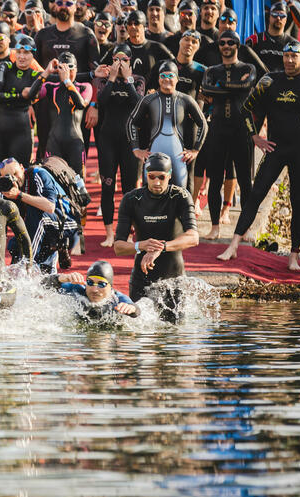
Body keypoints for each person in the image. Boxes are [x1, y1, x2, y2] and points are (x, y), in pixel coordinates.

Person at [219, 42, 300, 270]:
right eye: (286, 56)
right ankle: (233, 245)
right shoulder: (270, 81)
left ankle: (294, 255)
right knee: (256, 194)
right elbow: (246, 109)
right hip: (274, 149)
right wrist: (255, 137)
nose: (289, 60)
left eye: (294, 56)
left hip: (299, 152)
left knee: (298, 202)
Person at [114, 153, 200, 317]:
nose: (156, 182)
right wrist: (141, 246)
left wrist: (162, 247)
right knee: (139, 335)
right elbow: (118, 247)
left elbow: (193, 237)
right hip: (142, 282)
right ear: (146, 176)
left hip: (174, 281)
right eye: (152, 177)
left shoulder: (180, 196)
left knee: (174, 336)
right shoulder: (132, 199)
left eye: (161, 177)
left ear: (169, 176)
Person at [200, 31, 257, 240]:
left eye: (230, 42)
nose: (226, 45)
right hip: (217, 129)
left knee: (244, 181)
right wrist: (234, 89)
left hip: (241, 129)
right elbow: (205, 88)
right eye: (222, 42)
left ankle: (245, 228)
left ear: (237, 45)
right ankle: (215, 226)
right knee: (215, 180)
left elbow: (246, 85)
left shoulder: (247, 68)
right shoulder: (211, 70)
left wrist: (219, 88)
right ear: (218, 46)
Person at [126, 62, 207, 189]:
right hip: (154, 154)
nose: (166, 79)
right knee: (151, 194)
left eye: (170, 76)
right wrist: (136, 149)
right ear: (158, 79)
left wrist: (195, 150)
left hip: (178, 156)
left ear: (177, 79)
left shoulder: (185, 99)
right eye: (163, 75)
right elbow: (131, 122)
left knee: (180, 193)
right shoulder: (149, 99)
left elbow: (203, 124)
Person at [94, 45, 144, 247]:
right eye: (117, 59)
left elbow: (138, 102)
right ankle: (109, 233)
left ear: (131, 61)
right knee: (107, 186)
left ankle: (128, 231)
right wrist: (113, 78)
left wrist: (127, 78)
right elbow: (101, 101)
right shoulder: (105, 81)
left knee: (130, 189)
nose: (120, 63)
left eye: (124, 59)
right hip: (107, 139)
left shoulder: (137, 80)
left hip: (129, 140)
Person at [0, 157, 79, 273]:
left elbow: (50, 207)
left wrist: (19, 195)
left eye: (15, 173)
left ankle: (25, 267)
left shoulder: (38, 174)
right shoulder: (6, 189)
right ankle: (35, 272)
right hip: (44, 230)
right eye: (8, 176)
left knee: (36, 213)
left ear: (21, 167)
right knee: (16, 244)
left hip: (66, 224)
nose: (14, 178)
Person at [30, 52, 93, 173]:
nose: (67, 71)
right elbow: (31, 95)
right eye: (62, 68)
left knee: (78, 185)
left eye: (70, 67)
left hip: (75, 144)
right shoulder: (51, 87)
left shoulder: (85, 87)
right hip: (54, 143)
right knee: (53, 183)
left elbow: (80, 104)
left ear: (76, 69)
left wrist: (67, 82)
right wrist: (46, 72)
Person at [0, 35, 42, 168]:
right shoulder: (4, 67)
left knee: (19, 176)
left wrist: (91, 75)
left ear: (33, 56)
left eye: (26, 53)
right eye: (19, 52)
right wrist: (20, 96)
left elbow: (57, 77)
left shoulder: (36, 75)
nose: (22, 57)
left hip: (21, 133)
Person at [43, 261, 140, 319]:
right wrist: (60, 278)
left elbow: (135, 310)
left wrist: (132, 309)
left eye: (101, 284)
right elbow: (42, 285)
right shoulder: (78, 289)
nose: (94, 289)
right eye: (90, 282)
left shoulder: (117, 299)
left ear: (110, 286)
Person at [247, 1, 299, 71]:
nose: (278, 18)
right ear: (269, 17)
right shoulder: (254, 40)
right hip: (260, 80)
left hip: (283, 80)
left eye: (282, 15)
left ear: (286, 20)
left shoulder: (292, 43)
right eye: (274, 14)